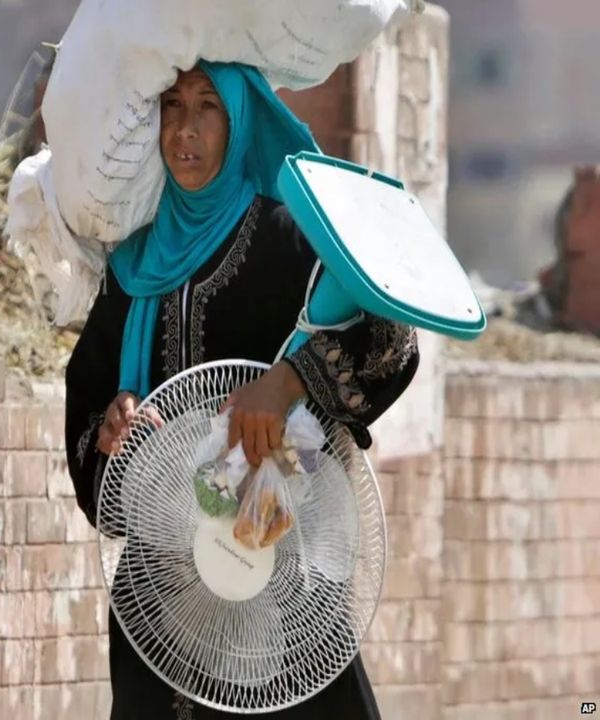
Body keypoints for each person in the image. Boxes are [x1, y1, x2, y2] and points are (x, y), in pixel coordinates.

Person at [64, 61, 420, 720]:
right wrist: (113, 432)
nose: (185, 130)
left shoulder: (291, 243)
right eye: (171, 105)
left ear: (240, 121)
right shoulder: (134, 265)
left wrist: (288, 383)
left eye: (208, 107)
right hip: (160, 612)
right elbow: (89, 405)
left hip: (284, 607)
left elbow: (392, 342)